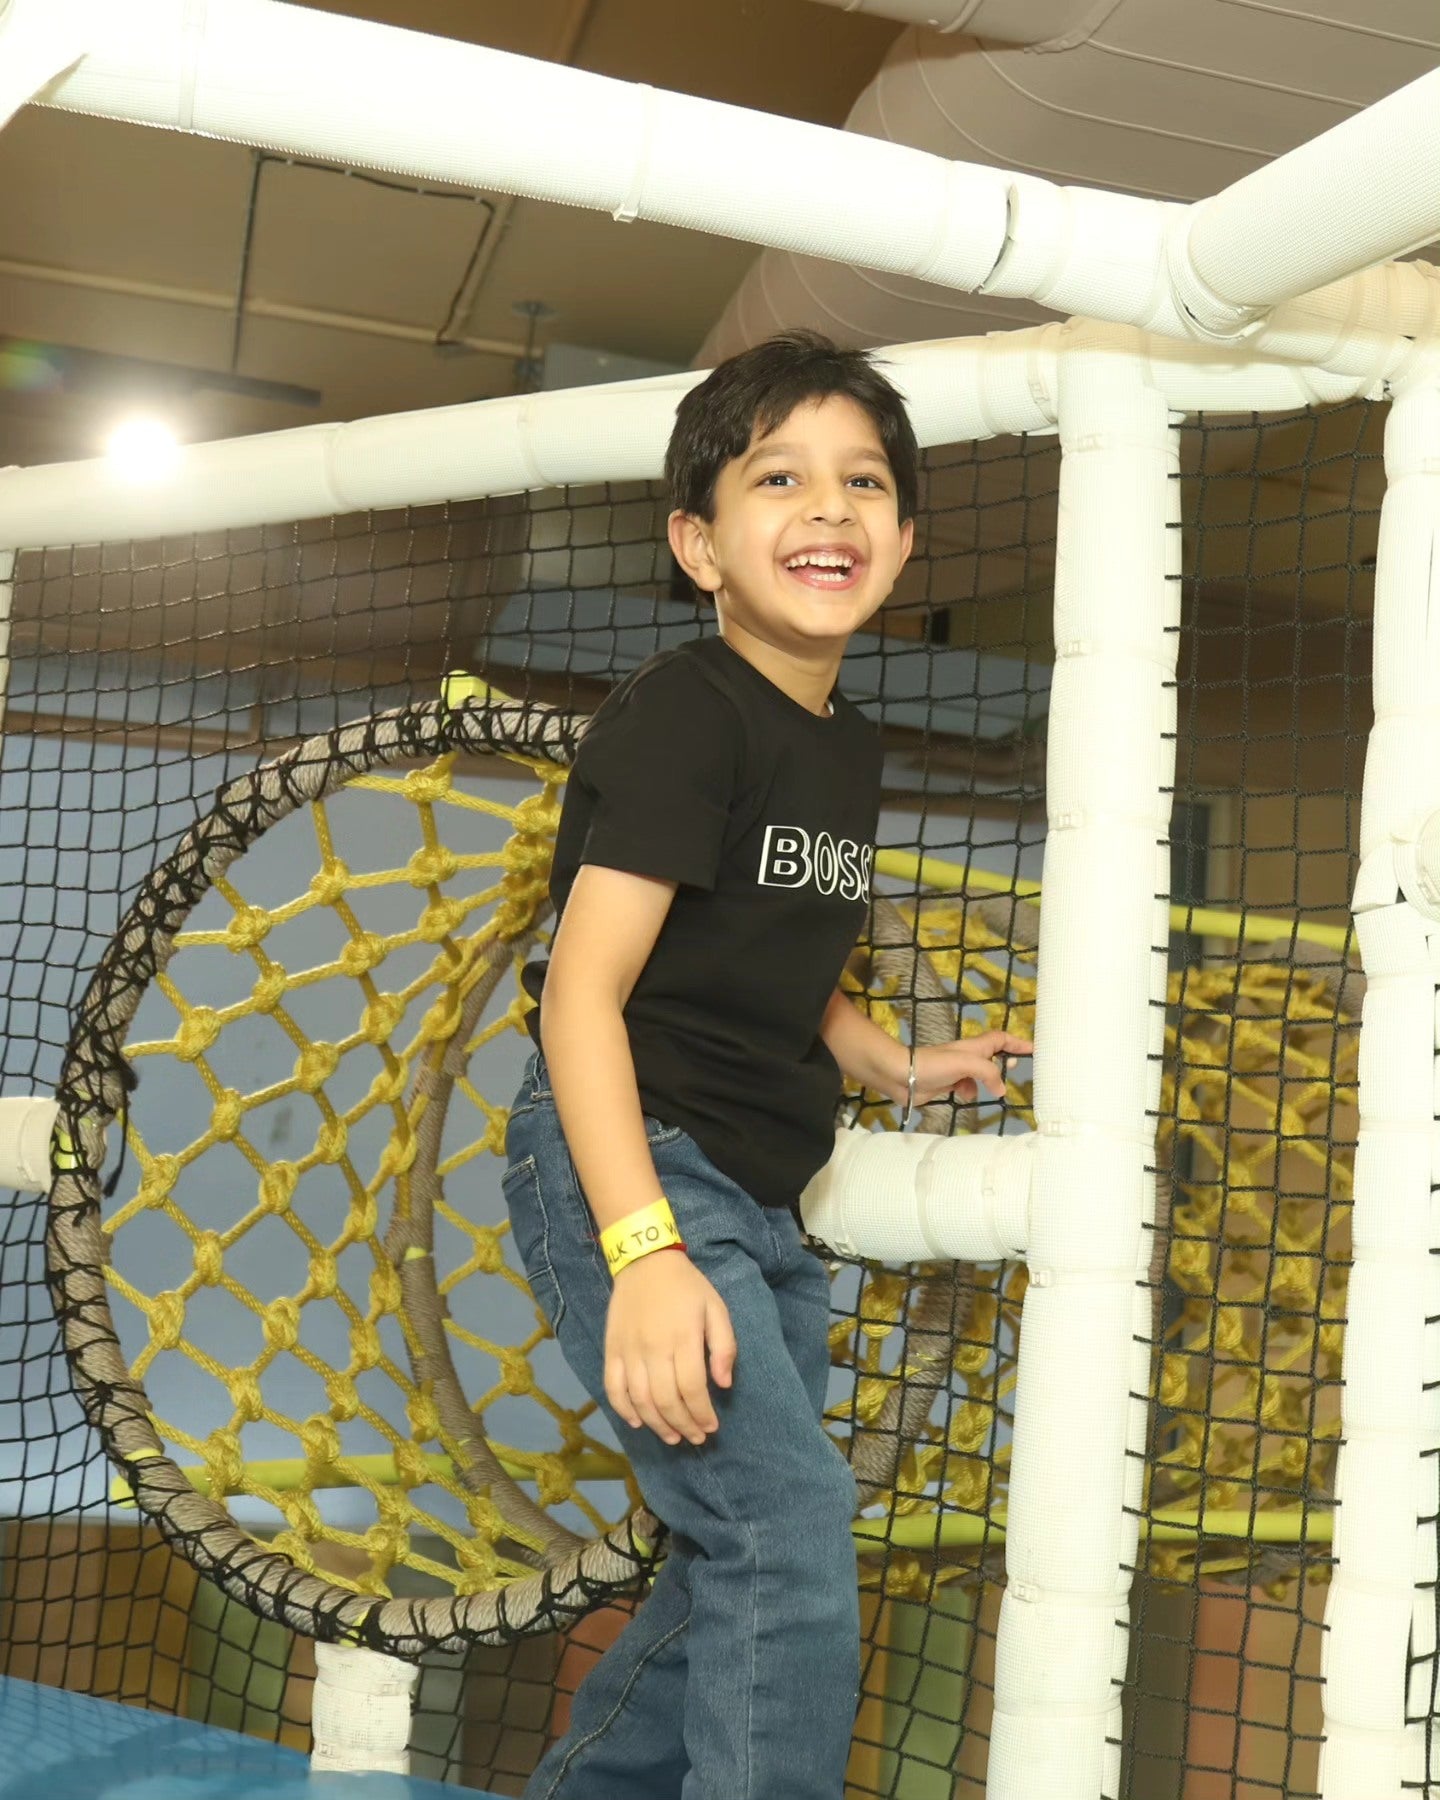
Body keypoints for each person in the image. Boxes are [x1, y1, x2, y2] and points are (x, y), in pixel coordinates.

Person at [502, 329, 1031, 1800]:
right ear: (699, 544)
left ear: (907, 539)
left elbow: (777, 960)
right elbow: (581, 1000)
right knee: (788, 1539)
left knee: (732, 1552)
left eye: (864, 482)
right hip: (635, 1165)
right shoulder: (688, 711)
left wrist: (898, 1063)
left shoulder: (845, 744)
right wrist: (644, 1251)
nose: (829, 509)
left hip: (759, 1190)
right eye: (780, 477)